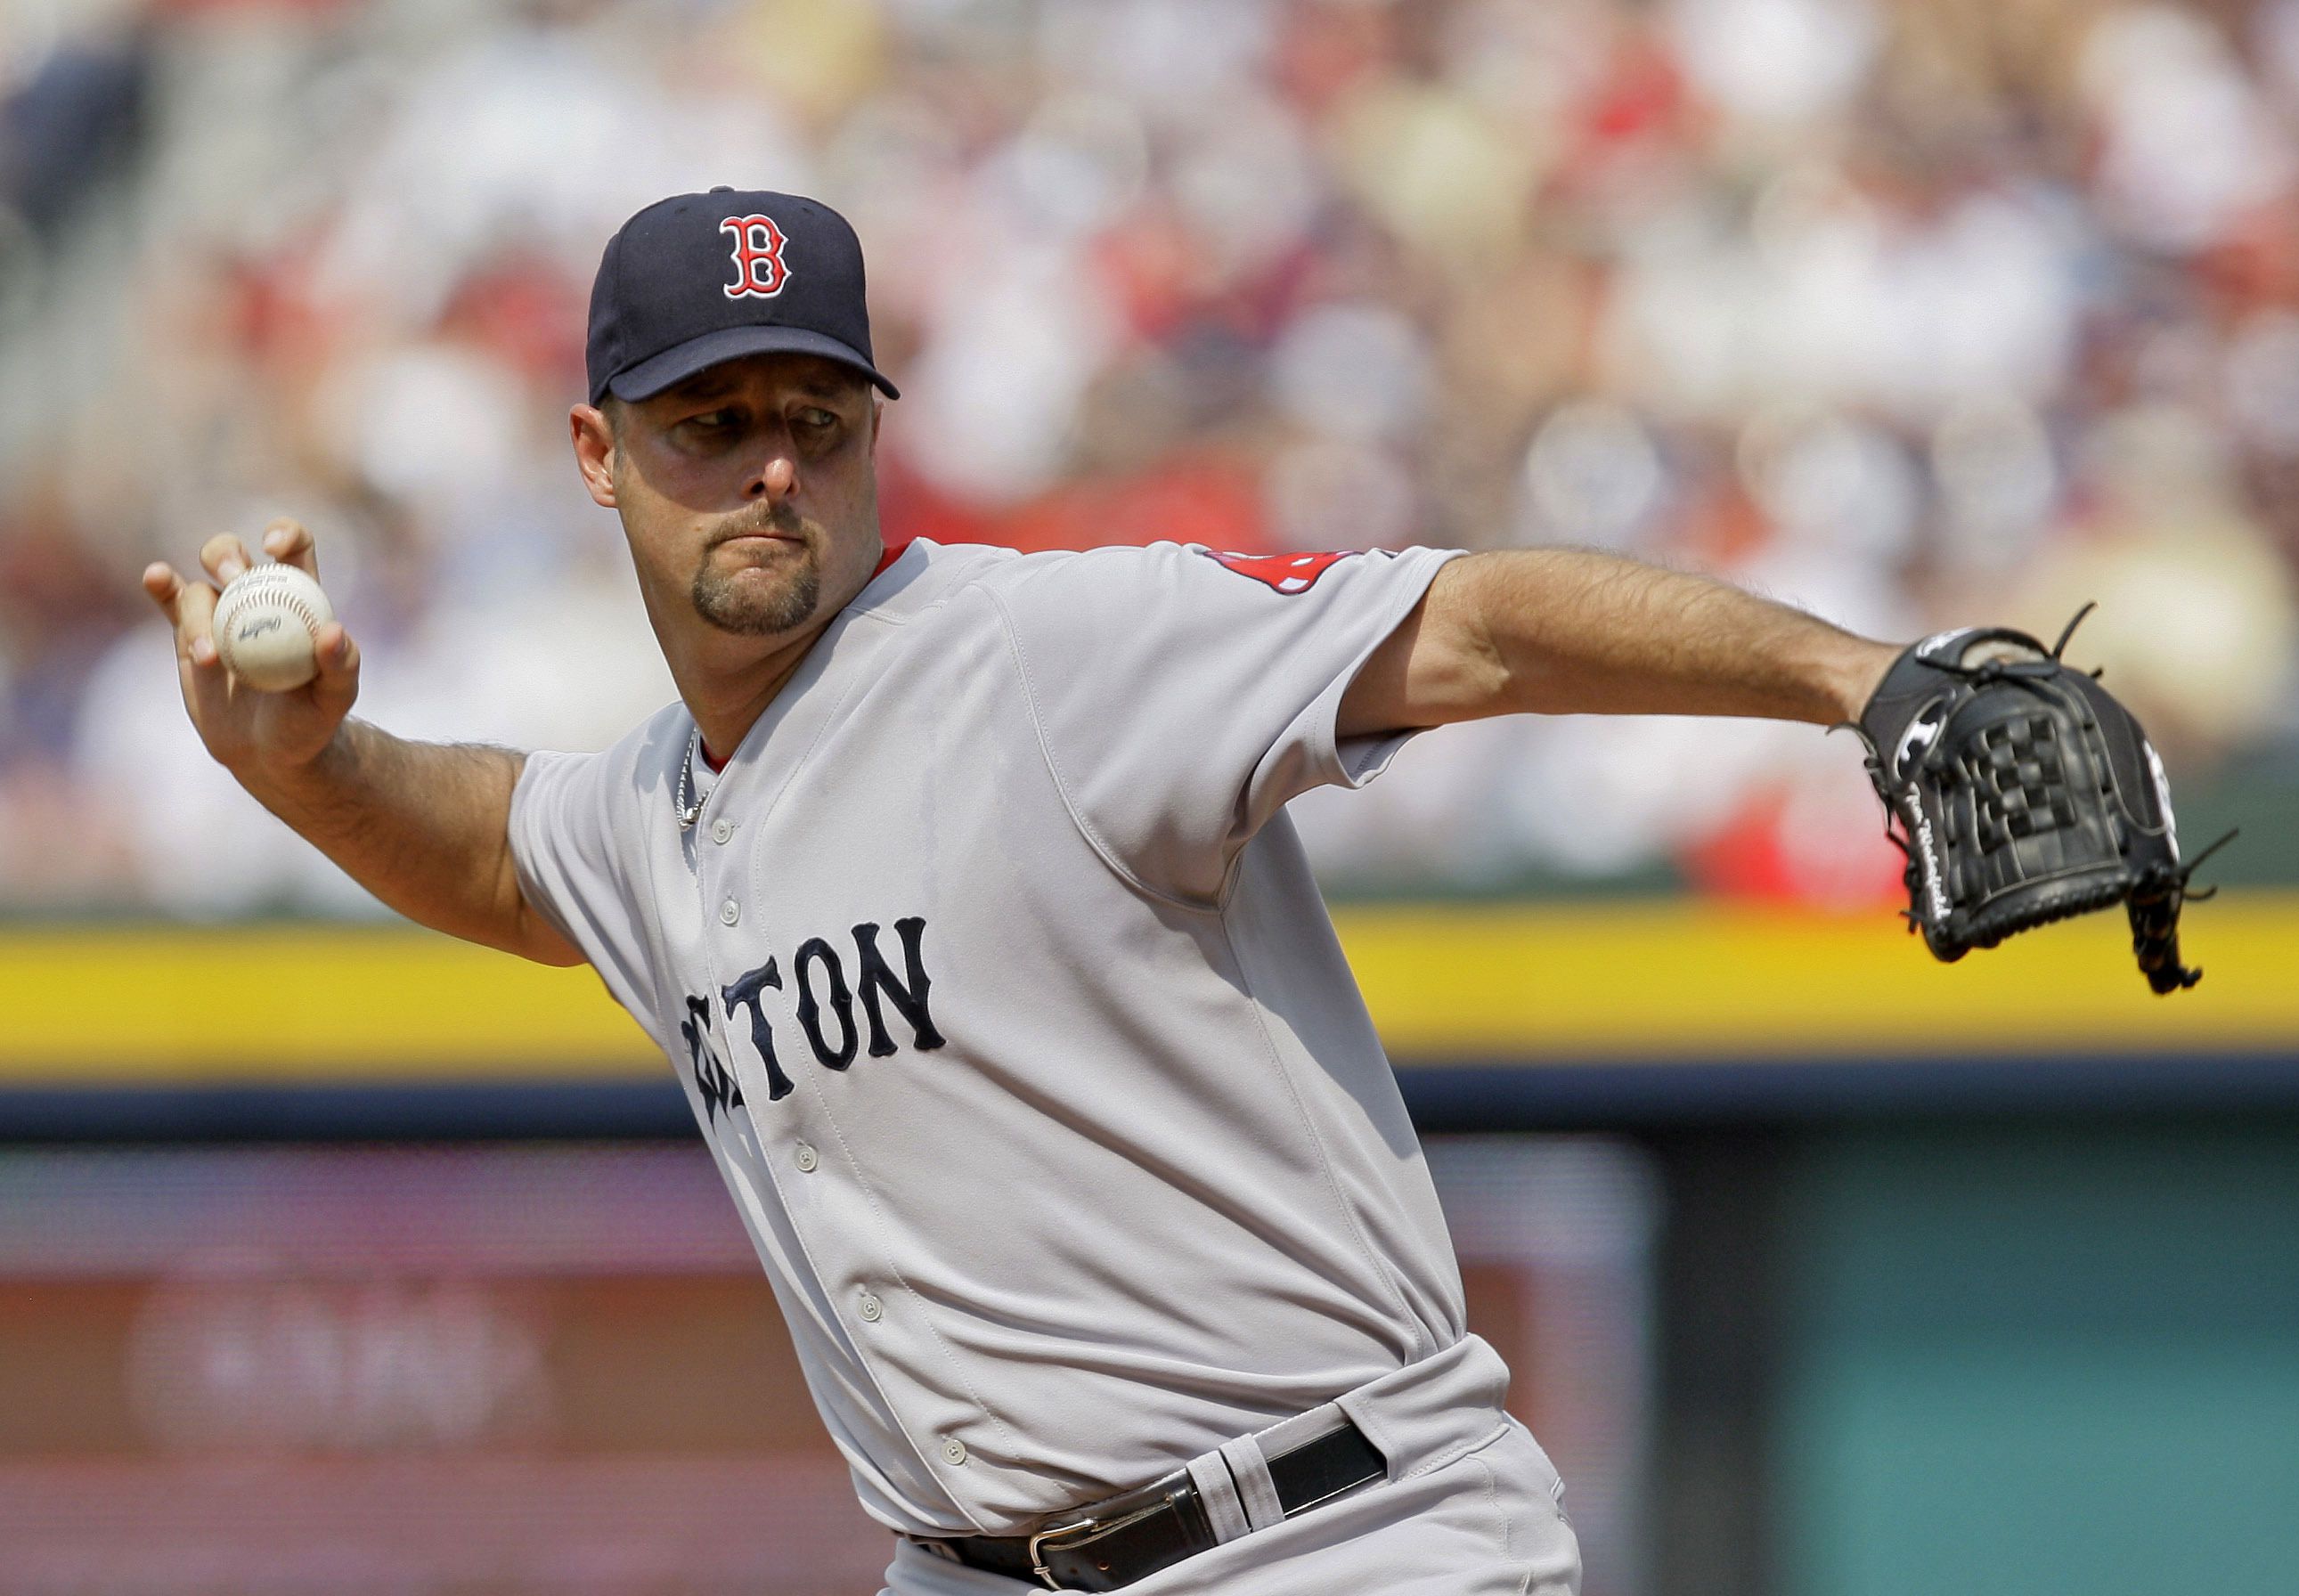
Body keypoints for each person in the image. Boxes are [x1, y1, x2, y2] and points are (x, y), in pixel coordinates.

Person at [143, 190, 1897, 1594]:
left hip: (1328, 1536)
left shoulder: (1049, 649)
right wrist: (298, 760)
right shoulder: (651, 814)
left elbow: (1472, 624)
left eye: (813, 418)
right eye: (711, 418)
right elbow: (492, 840)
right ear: (597, 453)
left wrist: (1863, 682)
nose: (771, 463)